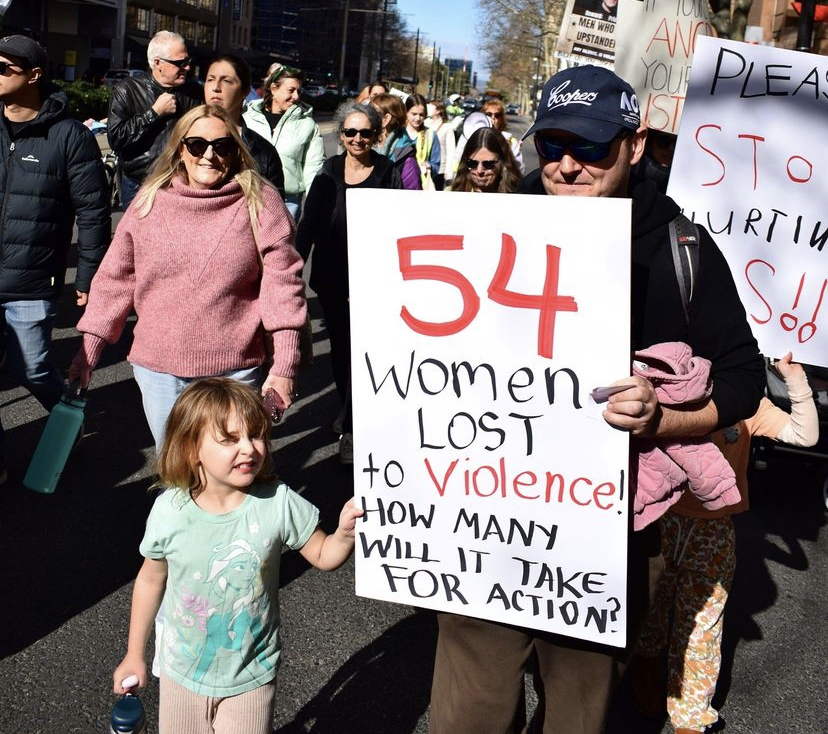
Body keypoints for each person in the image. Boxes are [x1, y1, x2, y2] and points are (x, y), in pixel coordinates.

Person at [428, 64, 765, 734]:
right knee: (466, 713)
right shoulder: (493, 224)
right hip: (489, 519)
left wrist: (665, 417)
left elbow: (742, 380)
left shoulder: (683, 246)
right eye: (552, 145)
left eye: (590, 147)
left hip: (607, 537)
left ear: (634, 146)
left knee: (577, 716)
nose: (567, 165)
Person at [111, 377, 363, 734]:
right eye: (229, 439)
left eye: (256, 435)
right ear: (191, 448)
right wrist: (134, 653)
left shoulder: (277, 503)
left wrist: (343, 534)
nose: (249, 448)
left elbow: (323, 554)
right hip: (182, 671)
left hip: (252, 674)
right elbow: (151, 579)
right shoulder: (170, 511)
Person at [69, 104, 305, 449]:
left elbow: (284, 290)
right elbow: (114, 281)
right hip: (158, 370)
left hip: (233, 372)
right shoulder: (149, 202)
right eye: (196, 144)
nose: (209, 155)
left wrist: (284, 368)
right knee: (176, 476)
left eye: (222, 146)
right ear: (180, 148)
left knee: (229, 477)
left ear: (236, 151)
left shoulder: (261, 203)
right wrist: (88, 351)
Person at [632, 352, 819, 734]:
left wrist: (793, 378)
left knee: (703, 621)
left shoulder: (746, 401)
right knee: (651, 605)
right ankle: (646, 670)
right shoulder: (666, 388)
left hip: (713, 531)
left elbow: (805, 435)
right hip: (660, 520)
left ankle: (690, 710)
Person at [0, 35, 110, 483]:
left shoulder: (69, 136)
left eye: (4, 67)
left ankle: (69, 417)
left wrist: (89, 275)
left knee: (33, 368)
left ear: (34, 75)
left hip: (30, 281)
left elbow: (93, 212)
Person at [296, 100, 403, 465]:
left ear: (376, 135)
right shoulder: (328, 171)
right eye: (350, 132)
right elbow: (308, 225)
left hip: (372, 280)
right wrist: (291, 268)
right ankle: (350, 420)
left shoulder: (388, 171)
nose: (357, 138)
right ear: (341, 135)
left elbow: (400, 229)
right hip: (332, 277)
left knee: (366, 353)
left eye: (365, 132)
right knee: (342, 352)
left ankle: (355, 425)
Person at [106, 31, 202, 209]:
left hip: (182, 182)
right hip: (139, 182)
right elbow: (117, 139)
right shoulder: (127, 90)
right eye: (179, 63)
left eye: (188, 62)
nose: (187, 67)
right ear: (157, 63)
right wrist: (154, 113)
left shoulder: (194, 92)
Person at [243, 64, 325, 220]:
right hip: (248, 195)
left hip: (288, 201)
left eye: (298, 91)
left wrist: (315, 204)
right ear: (274, 89)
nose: (296, 96)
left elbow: (314, 168)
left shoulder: (308, 125)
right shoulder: (248, 117)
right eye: (291, 90)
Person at [204, 53, 285, 198]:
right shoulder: (183, 136)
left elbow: (275, 211)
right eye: (210, 79)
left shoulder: (264, 152)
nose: (216, 87)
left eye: (226, 81)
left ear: (245, 91)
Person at [371, 92, 421, 190]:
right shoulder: (363, 147)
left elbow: (412, 199)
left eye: (371, 112)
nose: (365, 115)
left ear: (386, 120)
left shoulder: (406, 161)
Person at [450, 127, 521, 194]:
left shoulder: (520, 195)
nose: (479, 171)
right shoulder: (449, 195)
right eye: (472, 163)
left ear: (503, 163)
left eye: (488, 164)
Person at [405, 93, 441, 189]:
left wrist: (429, 166)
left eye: (421, 115)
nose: (417, 118)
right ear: (406, 112)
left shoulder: (431, 135)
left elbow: (436, 163)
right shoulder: (399, 133)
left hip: (421, 186)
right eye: (414, 114)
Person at [481, 97, 525, 173]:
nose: (493, 118)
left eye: (497, 115)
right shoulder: (474, 137)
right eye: (488, 114)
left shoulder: (511, 141)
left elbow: (520, 171)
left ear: (501, 119)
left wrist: (512, 153)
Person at [427, 99, 456, 190]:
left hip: (440, 170)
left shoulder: (447, 128)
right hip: (426, 167)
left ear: (438, 110)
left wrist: (448, 171)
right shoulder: (426, 124)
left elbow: (451, 150)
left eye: (431, 107)